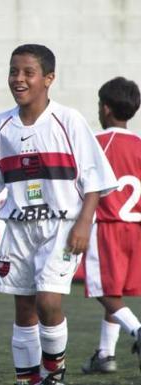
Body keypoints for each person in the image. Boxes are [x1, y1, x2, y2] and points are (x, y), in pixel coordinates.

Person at [0, 45, 117, 385]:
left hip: (62, 226)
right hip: (19, 227)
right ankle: (28, 379)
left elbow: (94, 178)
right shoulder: (1, 125)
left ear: (49, 79)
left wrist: (83, 222)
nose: (18, 79)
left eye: (28, 73)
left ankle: (54, 371)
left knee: (48, 301)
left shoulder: (68, 121)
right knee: (24, 307)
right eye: (13, 72)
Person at [81, 76, 141, 374]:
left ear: (105, 108)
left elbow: (80, 182)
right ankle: (105, 355)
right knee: (114, 291)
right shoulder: (140, 144)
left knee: (102, 289)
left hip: (106, 225)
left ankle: (138, 330)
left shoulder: (98, 143)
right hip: (136, 229)